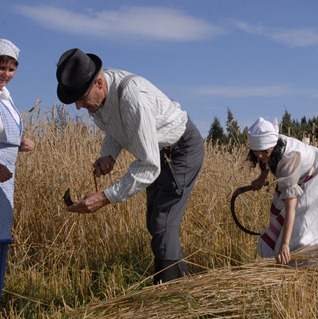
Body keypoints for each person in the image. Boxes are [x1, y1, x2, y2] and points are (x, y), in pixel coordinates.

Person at [55, 48, 204, 284]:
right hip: (159, 152)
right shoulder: (100, 98)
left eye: (81, 99)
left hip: (180, 150)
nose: (79, 107)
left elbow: (148, 165)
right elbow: (117, 126)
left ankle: (166, 293)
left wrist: (105, 197)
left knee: (163, 222)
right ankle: (183, 283)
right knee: (155, 221)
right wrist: (109, 156)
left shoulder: (130, 96)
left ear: (100, 83)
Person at [247, 117, 318, 265]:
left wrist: (285, 244)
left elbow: (291, 207)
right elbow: (265, 160)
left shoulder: (288, 158)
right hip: (299, 174)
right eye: (256, 151)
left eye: (263, 151)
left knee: (304, 223)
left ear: (272, 146)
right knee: (289, 223)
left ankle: (314, 261)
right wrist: (261, 177)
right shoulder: (271, 146)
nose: (259, 155)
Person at [0, 39, 35, 299]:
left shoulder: (5, 97)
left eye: (11, 69)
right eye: (1, 67)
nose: (6, 74)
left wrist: (18, 143)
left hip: (5, 180)